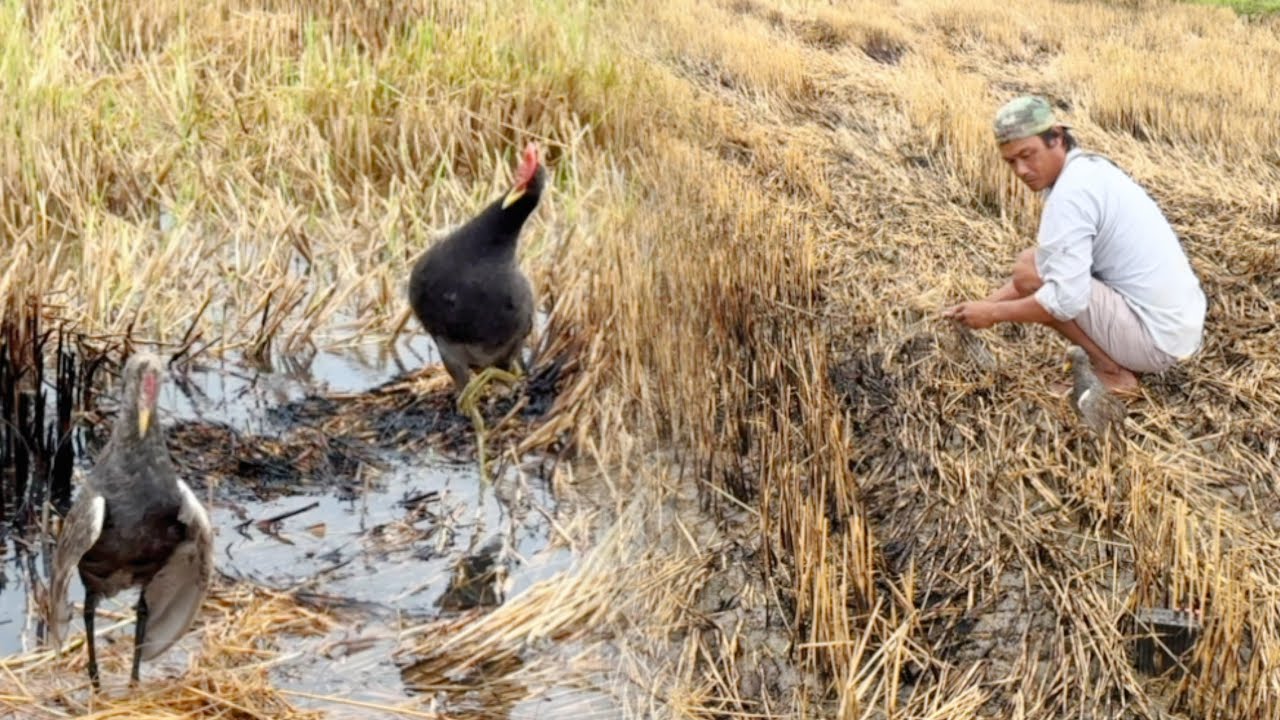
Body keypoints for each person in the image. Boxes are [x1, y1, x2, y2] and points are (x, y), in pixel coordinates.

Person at [942, 95, 1207, 393]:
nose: (1021, 171)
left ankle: (1113, 372)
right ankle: (1118, 356)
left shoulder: (1071, 195)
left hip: (1156, 341)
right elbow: (1051, 271)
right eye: (1010, 162)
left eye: (1027, 155)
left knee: (1033, 270)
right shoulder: (1089, 170)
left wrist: (992, 315)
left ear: (1056, 138)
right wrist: (981, 306)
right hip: (1178, 327)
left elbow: (1065, 299)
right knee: (1035, 265)